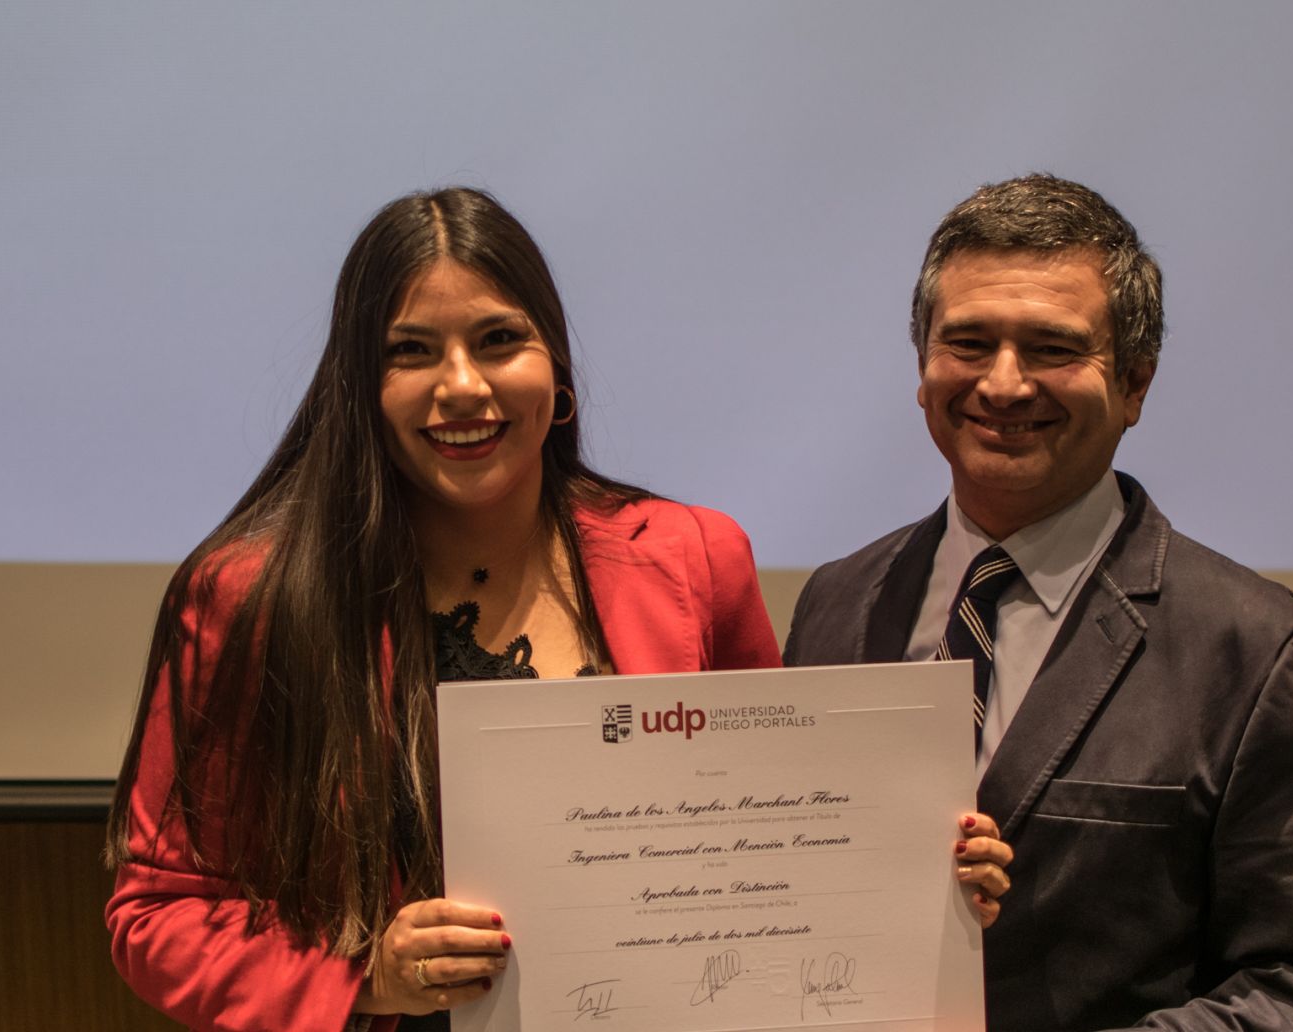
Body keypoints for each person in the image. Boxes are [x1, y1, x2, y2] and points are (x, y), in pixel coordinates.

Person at [104, 187, 1013, 1032]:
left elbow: (776, 850)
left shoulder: (695, 557)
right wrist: (363, 978)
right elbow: (157, 915)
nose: (463, 385)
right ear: (360, 386)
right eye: (411, 351)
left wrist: (918, 874)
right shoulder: (252, 596)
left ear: (556, 365)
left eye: (499, 340)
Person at [785, 174, 1293, 1031]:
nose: (1003, 384)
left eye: (1052, 349)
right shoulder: (837, 603)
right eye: (969, 342)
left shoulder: (1260, 651)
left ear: (1135, 384)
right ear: (922, 369)